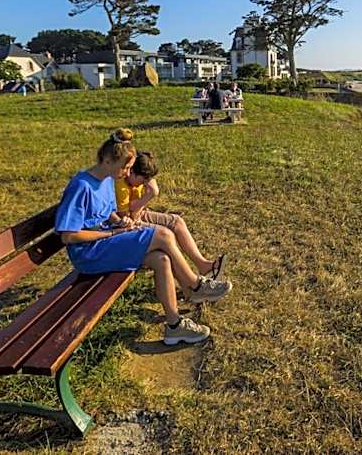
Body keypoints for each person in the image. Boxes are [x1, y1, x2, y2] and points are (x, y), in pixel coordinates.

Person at [55, 128, 232, 346]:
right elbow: (68, 235)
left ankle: (174, 325)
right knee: (164, 235)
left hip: (106, 242)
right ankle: (195, 286)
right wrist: (111, 232)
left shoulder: (107, 179)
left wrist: (120, 221)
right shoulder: (81, 186)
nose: (127, 172)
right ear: (108, 160)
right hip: (89, 254)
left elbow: (106, 212)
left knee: (161, 259)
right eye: (125, 167)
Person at [115, 150, 227, 280]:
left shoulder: (135, 181)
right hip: (128, 225)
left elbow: (137, 207)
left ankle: (203, 265)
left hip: (140, 213)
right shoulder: (121, 184)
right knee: (166, 236)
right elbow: (130, 216)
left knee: (177, 222)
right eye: (143, 179)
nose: (144, 183)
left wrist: (146, 196)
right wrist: (150, 195)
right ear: (132, 172)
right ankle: (191, 283)